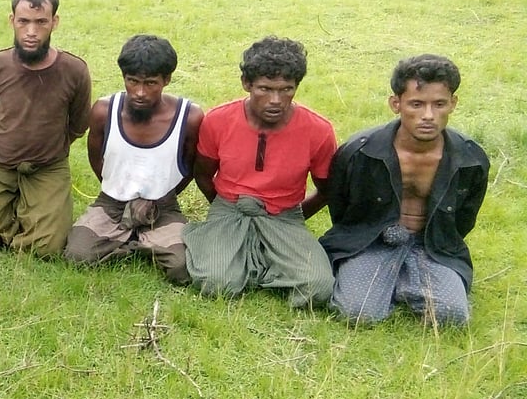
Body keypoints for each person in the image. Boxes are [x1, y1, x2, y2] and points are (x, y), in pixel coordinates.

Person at [319, 56, 488, 326]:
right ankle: (387, 278)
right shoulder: (360, 151)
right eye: (417, 104)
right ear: (396, 104)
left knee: (451, 316)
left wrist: (440, 240)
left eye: (439, 104)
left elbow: (464, 217)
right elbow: (340, 206)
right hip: (371, 240)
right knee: (358, 313)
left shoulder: (470, 159)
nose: (428, 116)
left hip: (432, 244)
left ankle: (403, 278)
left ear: (453, 104)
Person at [183, 36, 336, 308]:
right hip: (230, 208)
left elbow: (326, 190)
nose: (276, 100)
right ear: (247, 84)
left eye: (286, 89)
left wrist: (293, 217)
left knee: (318, 288)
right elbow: (203, 174)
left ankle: (256, 260)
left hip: (284, 213)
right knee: (216, 284)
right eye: (265, 88)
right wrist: (223, 207)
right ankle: (239, 253)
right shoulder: (218, 120)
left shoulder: (318, 131)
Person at [64, 35, 204, 284]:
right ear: (124, 78)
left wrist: (163, 197)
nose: (140, 92)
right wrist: (119, 190)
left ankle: (132, 240)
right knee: (77, 255)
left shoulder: (189, 117)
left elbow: (189, 166)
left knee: (182, 268)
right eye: (133, 81)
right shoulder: (104, 111)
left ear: (167, 80)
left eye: (150, 83)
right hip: (112, 203)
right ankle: (140, 241)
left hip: (162, 207)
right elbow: (97, 159)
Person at [0, 0, 91, 257]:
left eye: (41, 22)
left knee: (47, 246)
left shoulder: (75, 70)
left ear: (54, 22)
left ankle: (29, 212)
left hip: (49, 167)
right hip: (2, 163)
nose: (31, 32)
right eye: (23, 22)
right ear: (12, 21)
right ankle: (20, 211)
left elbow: (78, 125)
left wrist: (48, 148)